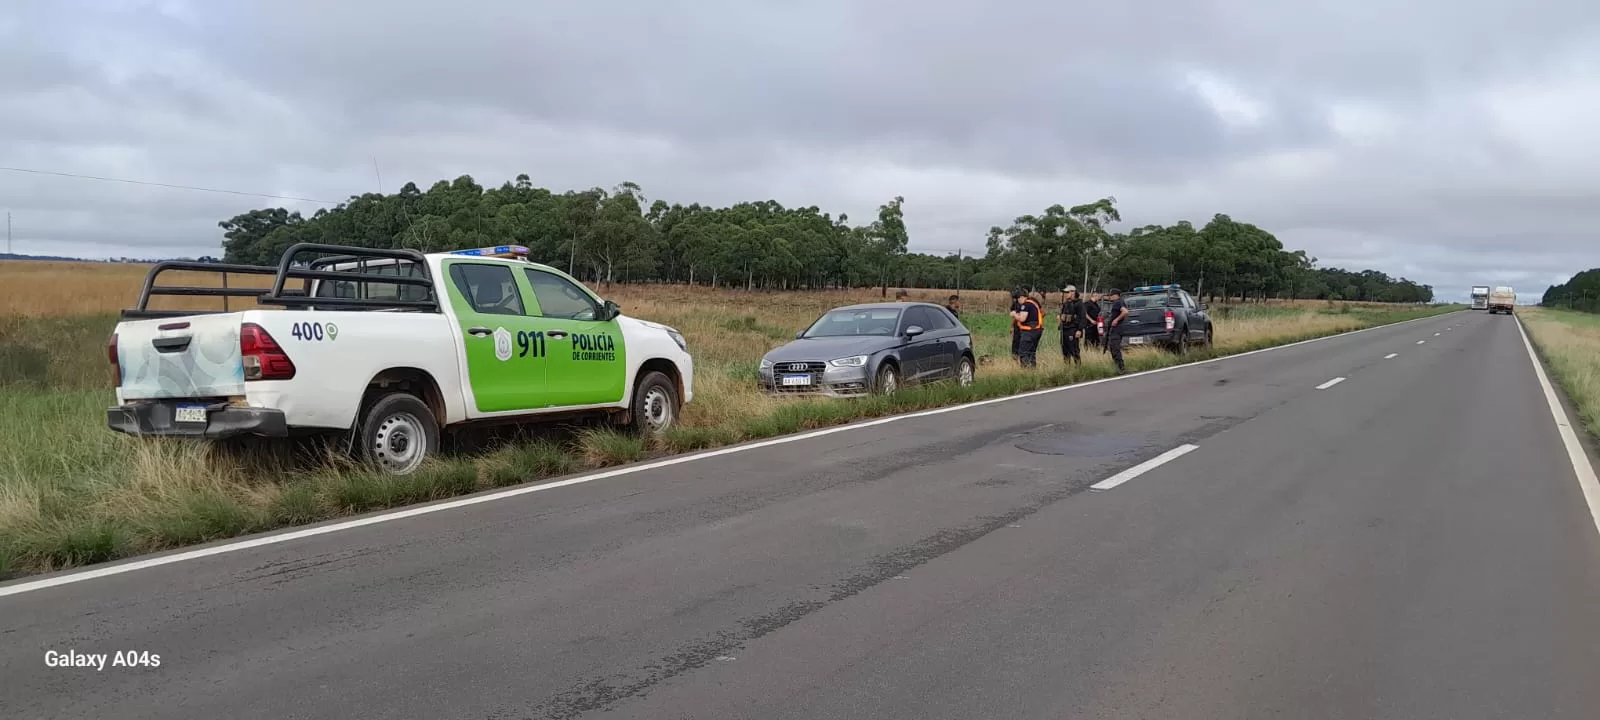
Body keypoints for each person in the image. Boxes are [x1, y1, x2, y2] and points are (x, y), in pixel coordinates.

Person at [1011, 288, 1044, 367]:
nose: (1018, 301)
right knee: (1031, 353)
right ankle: (1032, 370)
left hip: (1028, 332)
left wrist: (1014, 314)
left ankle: (1025, 370)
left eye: (1018, 299)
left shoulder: (1025, 305)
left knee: (1023, 353)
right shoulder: (1033, 303)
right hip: (1036, 331)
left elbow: (1022, 318)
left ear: (1021, 297)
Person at [1103, 288, 1129, 374]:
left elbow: (1125, 312)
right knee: (1113, 347)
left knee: (1115, 348)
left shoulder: (1118, 302)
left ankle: (1121, 368)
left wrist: (1116, 320)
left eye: (1111, 295)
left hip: (1117, 328)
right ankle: (1118, 367)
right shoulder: (1118, 302)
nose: (1110, 297)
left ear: (1115, 295)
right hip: (1116, 328)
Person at [1059, 285, 1086, 365]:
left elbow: (1083, 317)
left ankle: (1078, 367)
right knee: (1065, 350)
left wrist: (1079, 330)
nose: (1066, 294)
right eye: (1065, 292)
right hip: (1064, 329)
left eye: (1067, 292)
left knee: (1074, 350)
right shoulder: (1066, 304)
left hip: (1073, 329)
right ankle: (1067, 367)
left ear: (1073, 292)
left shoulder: (1079, 304)